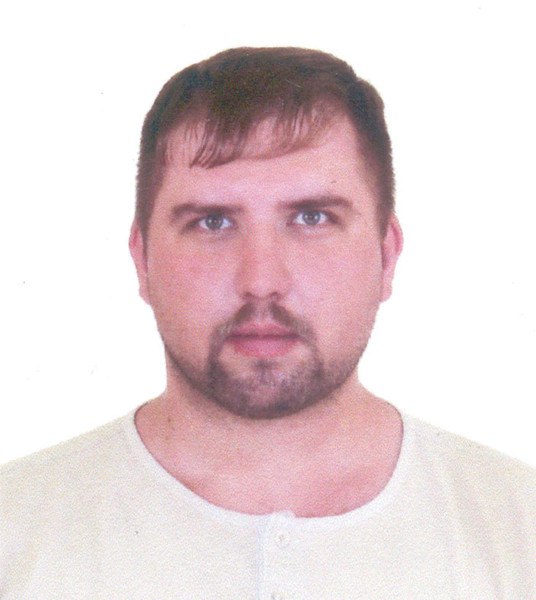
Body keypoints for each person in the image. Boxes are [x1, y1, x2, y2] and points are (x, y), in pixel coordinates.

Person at [1, 47, 534, 599]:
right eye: (212, 222)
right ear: (143, 259)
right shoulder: (15, 535)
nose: (260, 280)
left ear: (386, 255)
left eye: (312, 217)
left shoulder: (520, 532)